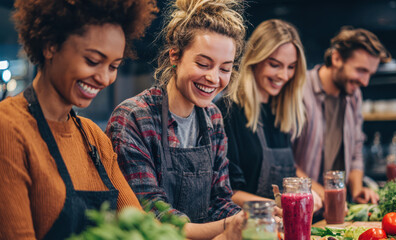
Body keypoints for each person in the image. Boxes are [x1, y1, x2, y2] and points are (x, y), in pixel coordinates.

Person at [0, 0, 158, 239]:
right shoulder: (9, 128)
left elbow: (139, 226)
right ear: (50, 45)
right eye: (93, 61)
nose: (105, 79)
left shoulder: (94, 137)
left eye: (114, 66)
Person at [106, 0, 246, 239]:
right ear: (175, 56)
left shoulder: (213, 117)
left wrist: (253, 218)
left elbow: (220, 200)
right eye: (203, 64)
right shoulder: (134, 118)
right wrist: (230, 226)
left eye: (225, 69)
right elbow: (152, 215)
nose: (214, 78)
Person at [216, 19, 322, 213]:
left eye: (291, 67)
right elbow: (228, 193)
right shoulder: (228, 111)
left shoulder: (279, 111)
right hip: (246, 228)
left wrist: (311, 191)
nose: (283, 75)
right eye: (275, 65)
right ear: (255, 60)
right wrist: (282, 206)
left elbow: (289, 172)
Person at [293, 27, 391, 204]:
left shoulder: (354, 95)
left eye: (370, 73)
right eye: (361, 70)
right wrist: (323, 194)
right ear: (337, 58)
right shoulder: (298, 90)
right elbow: (285, 161)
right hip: (304, 207)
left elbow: (356, 150)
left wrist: (357, 189)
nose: (365, 82)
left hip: (338, 207)